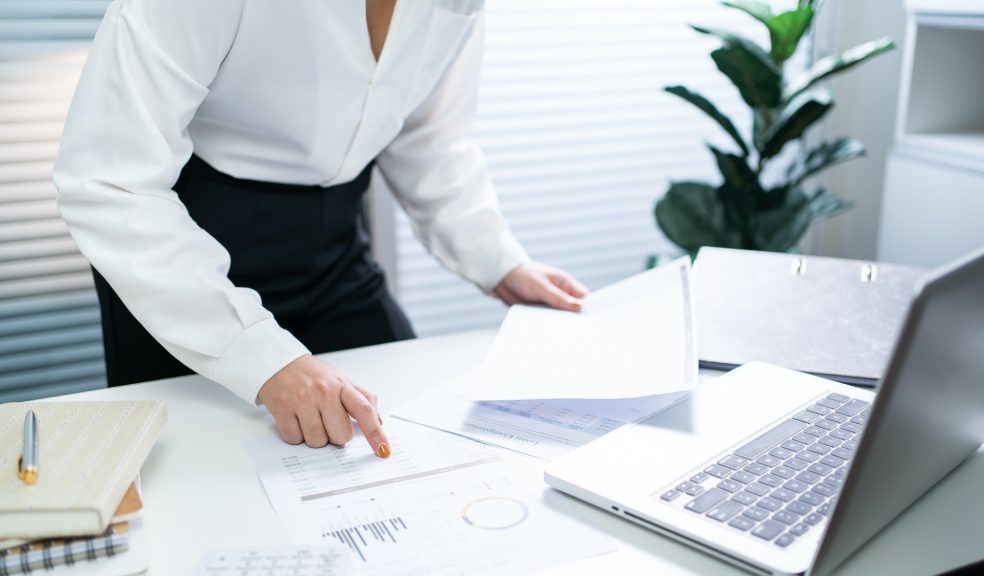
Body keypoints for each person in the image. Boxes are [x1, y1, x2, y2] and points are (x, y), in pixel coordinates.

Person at [53, 0, 588, 457]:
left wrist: (497, 259)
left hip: (335, 246)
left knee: (407, 444)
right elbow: (109, 178)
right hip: (183, 259)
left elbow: (427, 139)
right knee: (205, 483)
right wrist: (260, 357)